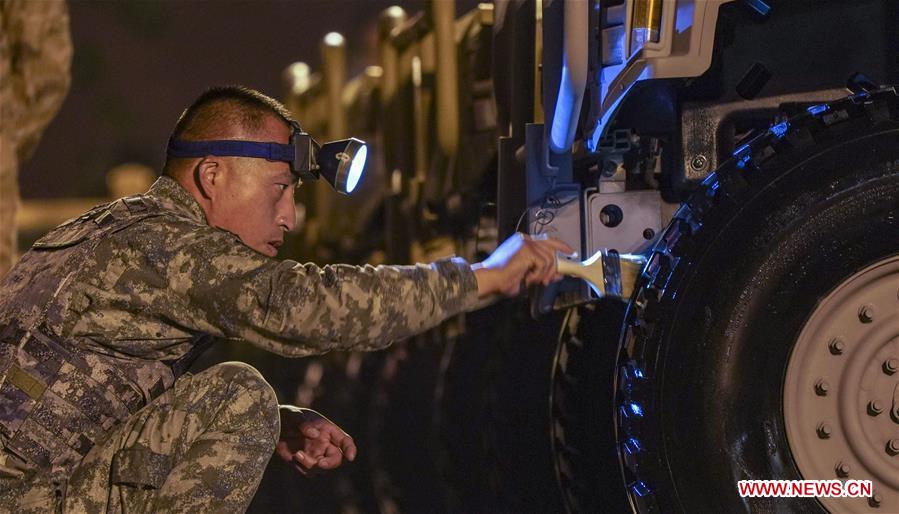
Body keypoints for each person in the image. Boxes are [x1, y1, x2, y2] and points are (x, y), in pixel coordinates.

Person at [0, 85, 571, 513]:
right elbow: (309, 308)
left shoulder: (114, 231)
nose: (290, 217)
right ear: (212, 175)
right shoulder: (170, 248)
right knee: (240, 393)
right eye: (279, 190)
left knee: (251, 404)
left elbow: (88, 388)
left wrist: (277, 423)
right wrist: (482, 277)